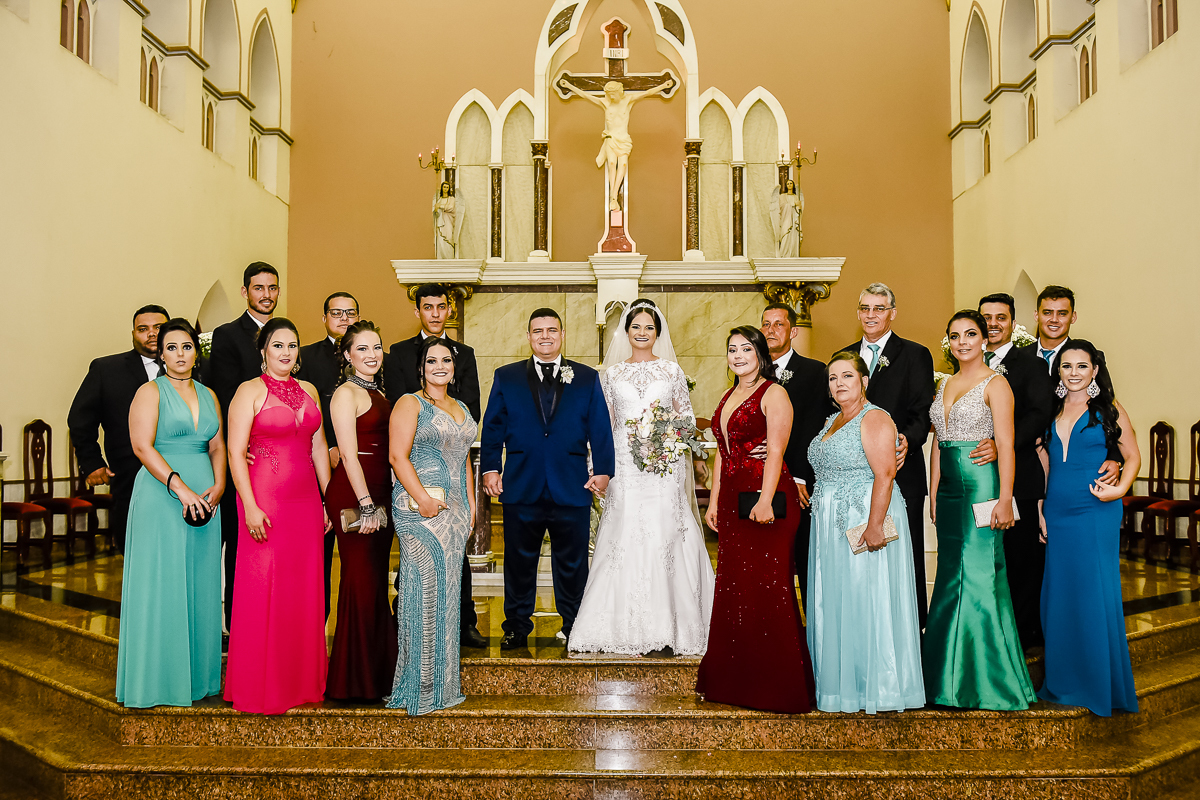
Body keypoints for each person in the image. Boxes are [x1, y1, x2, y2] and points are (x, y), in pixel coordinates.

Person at [569, 300, 715, 657]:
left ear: (658, 332)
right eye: (636, 327)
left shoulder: (671, 372)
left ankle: (674, 625)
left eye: (649, 327)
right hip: (624, 464)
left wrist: (669, 442)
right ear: (626, 331)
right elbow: (604, 426)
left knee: (666, 530)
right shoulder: (612, 375)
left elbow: (685, 418)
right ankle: (614, 625)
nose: (642, 333)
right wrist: (596, 466)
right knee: (623, 531)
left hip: (664, 466)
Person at [480, 308, 616, 650]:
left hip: (570, 484)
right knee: (519, 561)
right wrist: (491, 467)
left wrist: (603, 470)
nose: (545, 336)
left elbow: (599, 426)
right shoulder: (506, 376)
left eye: (551, 330)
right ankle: (516, 626)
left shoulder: (585, 377)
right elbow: (494, 426)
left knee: (572, 563)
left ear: (562, 334)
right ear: (528, 337)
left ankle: (575, 624)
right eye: (538, 331)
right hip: (521, 483)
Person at [696, 326, 815, 714]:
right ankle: (734, 682)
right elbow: (721, 454)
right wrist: (714, 503)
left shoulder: (774, 392)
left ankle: (777, 688)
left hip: (769, 500)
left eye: (746, 348)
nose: (738, 355)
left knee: (768, 589)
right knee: (735, 590)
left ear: (761, 353)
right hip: (732, 500)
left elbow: (777, 451)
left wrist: (765, 500)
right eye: (732, 349)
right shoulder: (729, 394)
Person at [924, 310, 1035, 710]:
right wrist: (933, 492)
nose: (963, 342)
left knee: (980, 574)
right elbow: (939, 441)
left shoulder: (997, 383)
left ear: (984, 340)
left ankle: (988, 679)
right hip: (950, 489)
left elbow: (1005, 444)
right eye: (955, 336)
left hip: (982, 485)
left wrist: (1006, 498)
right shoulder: (947, 383)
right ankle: (944, 674)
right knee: (951, 573)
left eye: (970, 334)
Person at [223, 318, 331, 714]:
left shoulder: (309, 390)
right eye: (277, 345)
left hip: (305, 502)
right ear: (263, 351)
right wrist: (249, 505)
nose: (286, 352)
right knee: (263, 584)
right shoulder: (247, 392)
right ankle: (260, 683)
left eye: (292, 345)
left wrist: (325, 499)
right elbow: (235, 452)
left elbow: (318, 447)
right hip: (264, 499)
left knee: (303, 587)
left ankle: (300, 681)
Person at [806, 352, 924, 713]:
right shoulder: (833, 420)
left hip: (862, 517)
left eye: (847, 376)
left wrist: (874, 526)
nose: (839, 383)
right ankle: (840, 684)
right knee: (838, 599)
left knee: (865, 595)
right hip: (831, 524)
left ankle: (874, 686)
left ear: (864, 381)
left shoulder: (873, 418)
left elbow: (885, 474)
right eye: (832, 378)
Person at [115, 319, 225, 707]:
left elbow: (216, 445)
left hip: (206, 499)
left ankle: (197, 678)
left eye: (187, 347)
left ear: (198, 351)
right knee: (163, 584)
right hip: (163, 495)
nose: (181, 354)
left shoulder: (209, 394)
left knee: (200, 584)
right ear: (160, 353)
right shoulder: (149, 392)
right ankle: (157, 680)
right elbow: (142, 447)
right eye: (172, 347)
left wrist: (219, 485)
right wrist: (180, 488)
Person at [1039, 340, 1140, 716]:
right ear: (1059, 372)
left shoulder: (1108, 410)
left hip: (1096, 510)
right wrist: (1040, 508)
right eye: (1067, 366)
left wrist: (1120, 490)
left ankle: (1099, 684)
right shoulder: (1052, 410)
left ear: (1095, 370)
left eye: (1082, 366)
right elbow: (1046, 464)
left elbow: (1132, 456)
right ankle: (1065, 682)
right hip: (1058, 510)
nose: (1075, 373)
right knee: (1060, 596)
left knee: (1094, 594)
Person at [384, 283, 486, 649]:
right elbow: (398, 446)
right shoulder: (399, 360)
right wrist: (422, 496)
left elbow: (468, 420)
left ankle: (460, 628)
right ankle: (414, 657)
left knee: (454, 571)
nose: (435, 313)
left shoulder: (466, 356)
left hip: (457, 486)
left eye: (441, 307)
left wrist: (470, 502)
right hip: (418, 487)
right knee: (419, 577)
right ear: (419, 311)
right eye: (428, 307)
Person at [387, 337, 479, 714]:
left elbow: (465, 461)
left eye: (446, 360)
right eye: (431, 361)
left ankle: (442, 687)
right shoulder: (411, 403)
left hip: (455, 510)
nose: (439, 366)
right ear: (421, 367)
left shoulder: (461, 406)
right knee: (424, 592)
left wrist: (472, 507)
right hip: (417, 507)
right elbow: (397, 455)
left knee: (448, 595)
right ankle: (418, 689)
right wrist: (423, 498)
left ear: (454, 367)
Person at [839, 283, 935, 627]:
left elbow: (923, 412)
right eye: (865, 308)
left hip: (900, 469)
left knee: (903, 553)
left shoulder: (914, 354)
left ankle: (911, 627)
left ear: (892, 312)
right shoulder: (844, 356)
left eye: (879, 308)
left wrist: (907, 439)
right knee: (859, 549)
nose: (871, 315)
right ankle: (864, 624)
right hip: (853, 475)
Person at [325, 321, 398, 701]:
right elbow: (348, 454)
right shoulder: (345, 394)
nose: (372, 355)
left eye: (377, 347)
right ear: (347, 354)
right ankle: (353, 681)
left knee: (374, 582)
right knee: (359, 579)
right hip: (356, 494)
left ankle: (379, 675)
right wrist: (366, 503)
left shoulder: (379, 391)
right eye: (363, 349)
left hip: (380, 490)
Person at [977, 293, 1055, 648]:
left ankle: (1023, 636)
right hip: (978, 479)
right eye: (986, 317)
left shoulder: (1031, 363)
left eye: (1000, 318)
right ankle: (989, 630)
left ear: (1013, 322)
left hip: (1020, 477)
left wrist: (1001, 443)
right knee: (985, 560)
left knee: (1021, 562)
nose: (993, 324)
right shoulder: (968, 362)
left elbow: (1039, 413)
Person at [208, 262, 279, 634]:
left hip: (281, 459)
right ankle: (238, 623)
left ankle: (273, 619)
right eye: (258, 288)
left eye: (272, 288)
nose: (266, 294)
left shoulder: (284, 333)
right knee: (242, 539)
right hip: (247, 454)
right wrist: (243, 443)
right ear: (245, 292)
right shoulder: (227, 335)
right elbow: (224, 392)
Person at [68, 305, 170, 555]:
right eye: (143, 329)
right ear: (133, 334)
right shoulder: (107, 370)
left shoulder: (193, 368)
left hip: (184, 470)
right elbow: (80, 419)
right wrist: (91, 462)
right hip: (130, 474)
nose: (152, 334)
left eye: (158, 327)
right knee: (134, 545)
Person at [760, 302, 830, 603]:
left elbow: (815, 428)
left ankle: (809, 630)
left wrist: (799, 475)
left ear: (793, 331)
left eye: (779, 324)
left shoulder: (814, 371)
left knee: (803, 557)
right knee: (767, 560)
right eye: (766, 324)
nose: (771, 330)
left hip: (798, 480)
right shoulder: (753, 370)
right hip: (760, 479)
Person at [1019, 285, 1122, 487]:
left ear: (1073, 317)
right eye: (1047, 312)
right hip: (1026, 461)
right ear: (1036, 315)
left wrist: (1115, 457)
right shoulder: (1019, 358)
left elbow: (1106, 408)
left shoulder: (1092, 357)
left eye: (1062, 313)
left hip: (1076, 462)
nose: (1054, 319)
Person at [297, 291, 360, 620]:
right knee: (317, 556)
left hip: (362, 469)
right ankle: (313, 627)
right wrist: (331, 446)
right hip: (314, 467)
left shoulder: (374, 357)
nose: (344, 318)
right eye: (337, 313)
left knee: (359, 559)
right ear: (324, 319)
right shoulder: (304, 358)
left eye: (350, 312)